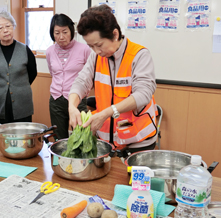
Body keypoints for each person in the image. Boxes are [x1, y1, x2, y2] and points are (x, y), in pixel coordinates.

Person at [68, 4, 158, 153]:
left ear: (115, 34)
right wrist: (72, 106)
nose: (96, 51)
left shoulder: (139, 55)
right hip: (108, 141)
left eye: (99, 45)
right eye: (91, 46)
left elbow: (143, 94)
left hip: (137, 141)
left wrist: (106, 113)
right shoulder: (96, 57)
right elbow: (81, 82)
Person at [0, 10, 37, 124]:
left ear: (13, 26)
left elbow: (32, 73)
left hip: (22, 104)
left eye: (8, 26)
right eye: (0, 28)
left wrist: (19, 85)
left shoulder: (25, 50)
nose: (5, 30)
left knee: (23, 139)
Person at [46, 14, 91, 140]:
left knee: (81, 137)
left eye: (65, 32)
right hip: (56, 100)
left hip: (78, 100)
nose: (61, 37)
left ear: (71, 31)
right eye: (57, 33)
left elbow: (91, 74)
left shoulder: (84, 49)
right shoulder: (49, 51)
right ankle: (61, 160)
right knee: (59, 139)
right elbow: (52, 73)